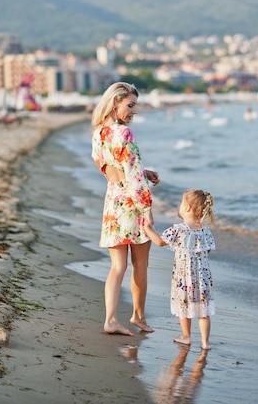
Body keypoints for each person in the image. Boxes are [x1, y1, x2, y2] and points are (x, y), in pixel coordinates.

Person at [91, 82, 160, 336]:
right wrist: (147, 211)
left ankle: (110, 319)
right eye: (130, 105)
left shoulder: (99, 133)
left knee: (117, 266)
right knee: (140, 264)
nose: (134, 111)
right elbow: (133, 177)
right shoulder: (125, 134)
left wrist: (143, 171)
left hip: (113, 204)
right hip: (133, 205)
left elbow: (109, 168)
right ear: (115, 103)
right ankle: (138, 317)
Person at [144, 189, 216, 349]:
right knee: (203, 310)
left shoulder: (179, 229)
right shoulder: (205, 230)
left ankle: (186, 336)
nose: (179, 206)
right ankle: (205, 342)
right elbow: (208, 249)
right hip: (202, 278)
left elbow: (161, 242)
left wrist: (147, 228)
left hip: (184, 278)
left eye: (181, 203)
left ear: (188, 208)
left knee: (184, 306)